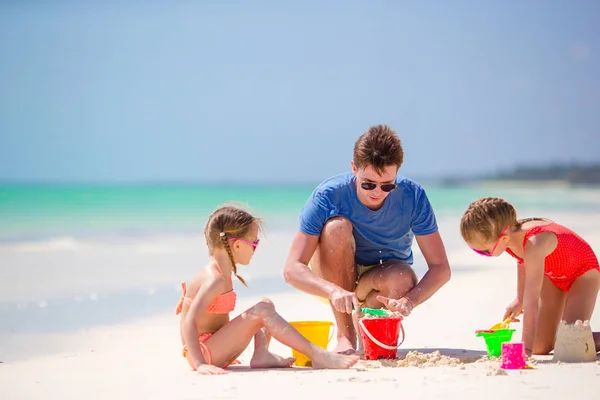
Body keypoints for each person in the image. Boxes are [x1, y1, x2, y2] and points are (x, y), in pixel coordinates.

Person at [283, 125, 452, 354]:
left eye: (387, 185)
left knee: (402, 277)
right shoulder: (328, 194)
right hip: (333, 278)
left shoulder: (413, 196)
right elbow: (292, 269)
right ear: (354, 168)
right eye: (368, 184)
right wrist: (333, 291)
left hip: (381, 280)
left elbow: (441, 267)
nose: (377, 192)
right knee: (336, 228)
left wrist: (410, 300)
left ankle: (371, 333)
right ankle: (346, 335)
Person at [176, 205, 359, 375]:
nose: (255, 249)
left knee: (265, 304)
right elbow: (189, 322)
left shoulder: (221, 273)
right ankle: (318, 354)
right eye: (254, 244)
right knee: (262, 311)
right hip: (202, 353)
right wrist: (200, 364)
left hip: (214, 347)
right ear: (237, 245)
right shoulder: (214, 279)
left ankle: (261, 353)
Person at [460, 197, 600, 356]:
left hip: (583, 274)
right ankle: (564, 338)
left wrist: (525, 349)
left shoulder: (534, 242)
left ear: (503, 238)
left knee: (572, 350)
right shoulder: (510, 237)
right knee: (540, 347)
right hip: (552, 274)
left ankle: (577, 339)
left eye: (484, 251)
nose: (483, 254)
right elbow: (522, 261)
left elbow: (531, 301)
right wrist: (519, 298)